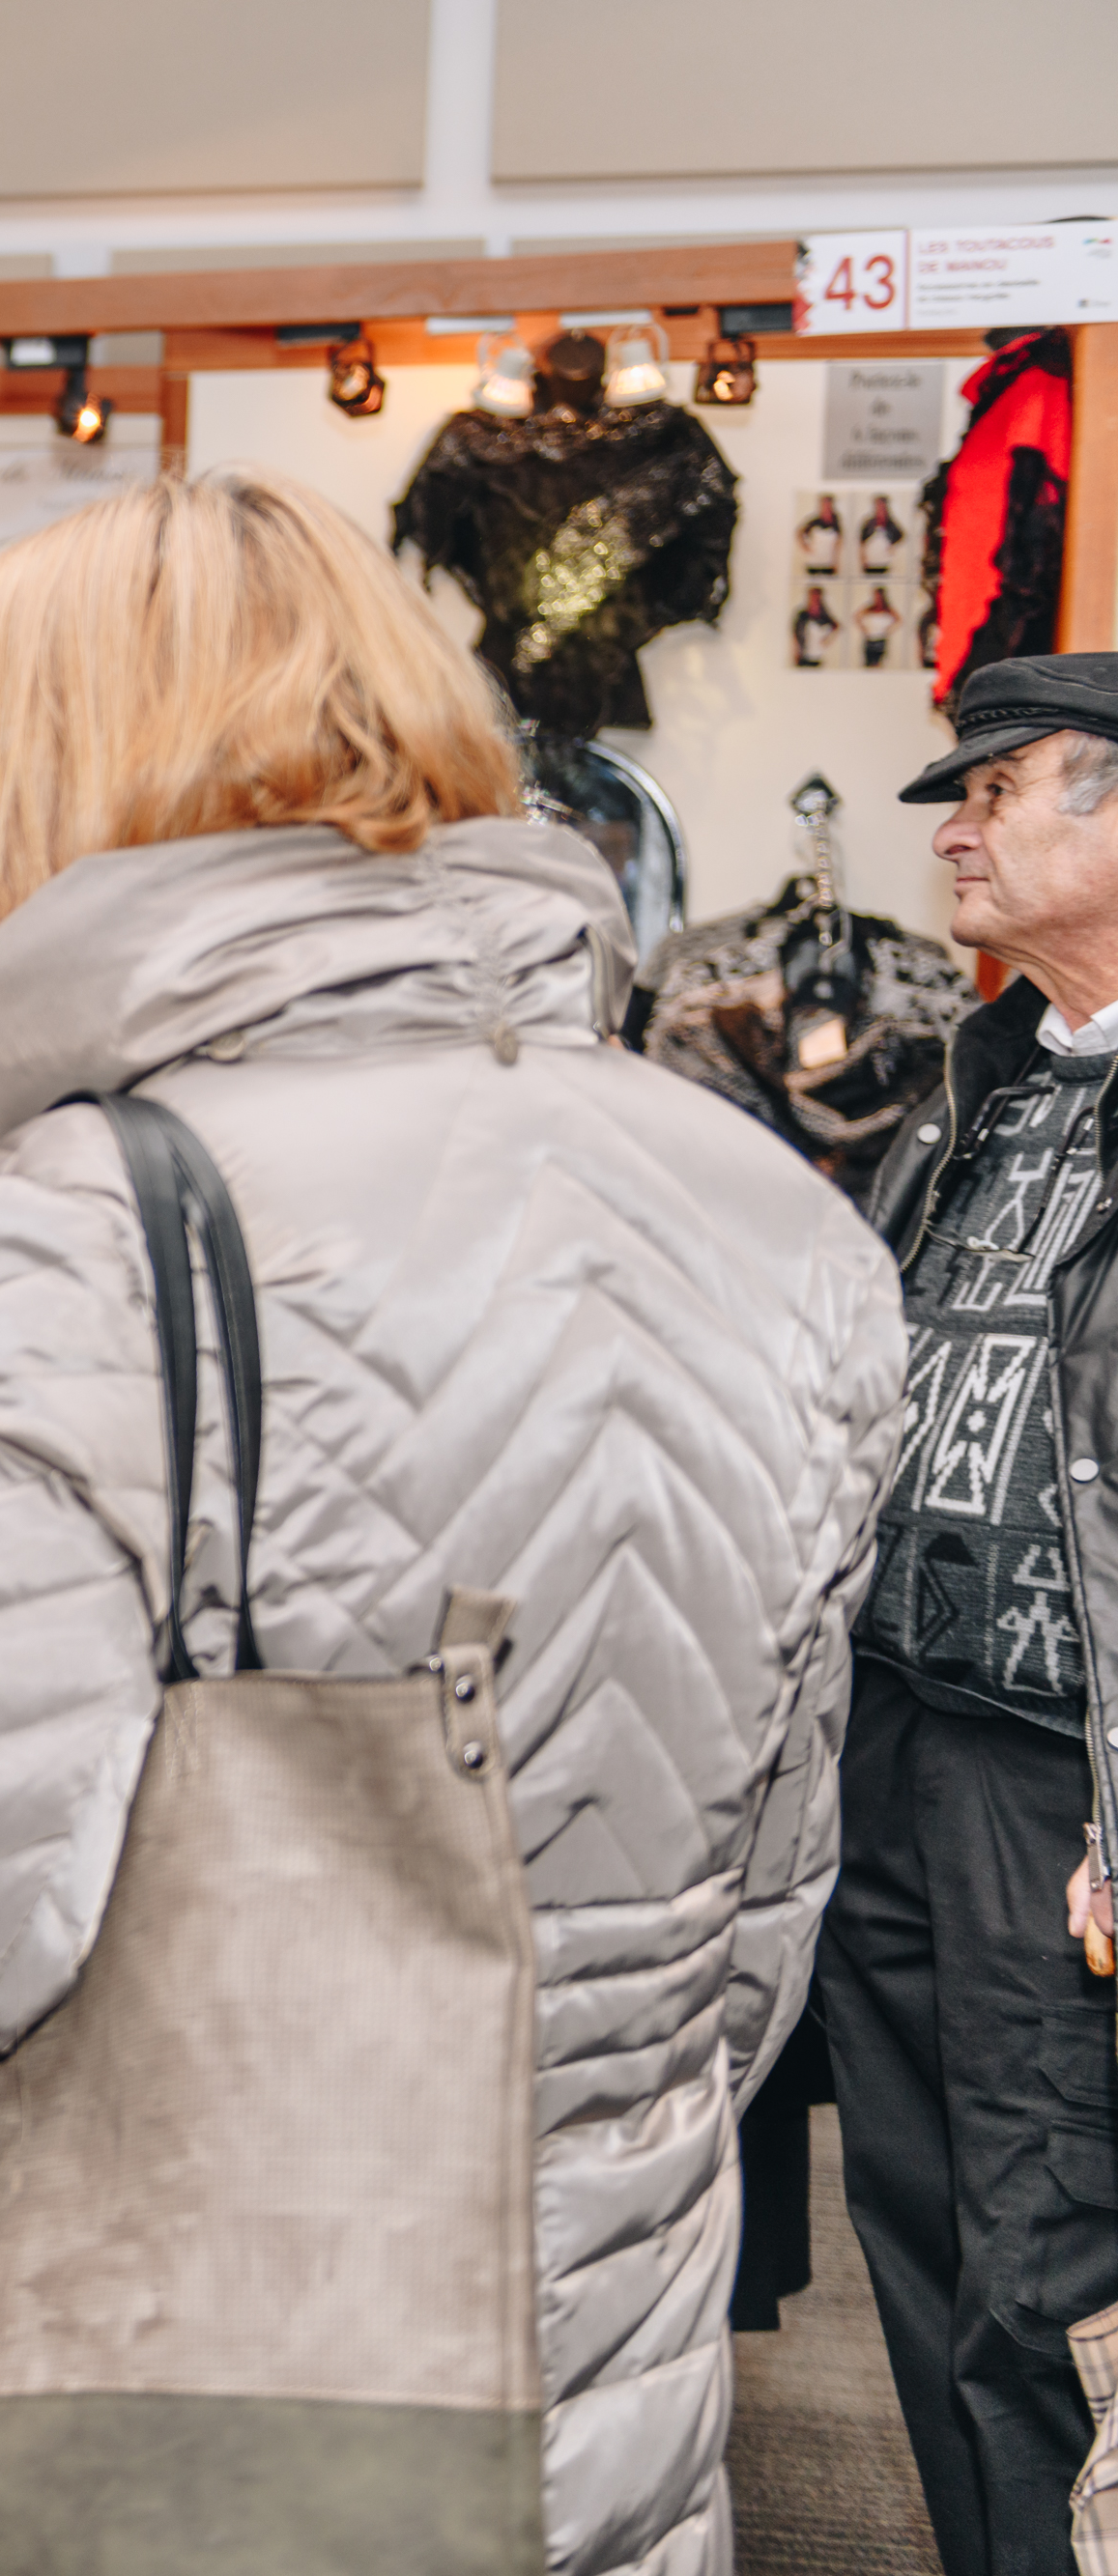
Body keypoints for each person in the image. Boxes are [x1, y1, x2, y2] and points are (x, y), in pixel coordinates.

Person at [0, 472, 902, 2572]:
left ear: (11, 783)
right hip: (594, 2371)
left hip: (201, 2395)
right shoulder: (773, 1214)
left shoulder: (89, 1221)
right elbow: (754, 1933)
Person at [823, 650, 1118, 2576]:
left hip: (1052, 1780)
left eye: (995, 788)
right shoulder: (968, 1083)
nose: (950, 827)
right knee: (922, 2249)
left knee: (1046, 2269)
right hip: (893, 1747)